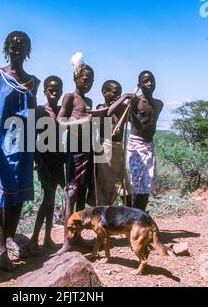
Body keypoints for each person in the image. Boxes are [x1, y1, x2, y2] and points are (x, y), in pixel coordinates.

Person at [0, 31, 40, 271]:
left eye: (22, 45)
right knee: (5, 196)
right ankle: (1, 249)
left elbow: (34, 114)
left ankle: (10, 237)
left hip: (25, 144)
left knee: (18, 195)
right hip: (2, 143)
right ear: (7, 48)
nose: (18, 49)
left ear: (28, 50)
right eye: (14, 45)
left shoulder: (33, 81)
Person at [55, 52, 95, 255]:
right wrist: (82, 121)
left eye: (91, 80)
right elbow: (60, 121)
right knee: (71, 195)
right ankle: (66, 243)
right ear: (76, 77)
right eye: (85, 79)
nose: (88, 83)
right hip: (74, 151)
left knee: (80, 196)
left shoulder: (88, 100)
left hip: (87, 151)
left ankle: (77, 238)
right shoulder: (70, 97)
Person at [108, 71, 164, 210]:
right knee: (138, 184)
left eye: (152, 80)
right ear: (139, 85)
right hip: (136, 145)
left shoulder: (158, 104)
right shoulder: (134, 102)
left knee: (147, 185)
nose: (150, 83)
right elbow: (110, 111)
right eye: (145, 81)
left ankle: (139, 219)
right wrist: (125, 96)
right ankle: (134, 219)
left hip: (149, 145)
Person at [28, 76, 66, 256]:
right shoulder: (37, 111)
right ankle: (34, 239)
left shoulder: (62, 111)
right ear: (44, 91)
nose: (54, 92)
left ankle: (47, 238)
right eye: (50, 89)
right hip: (44, 161)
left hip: (59, 160)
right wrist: (37, 160)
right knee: (48, 198)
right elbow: (29, 137)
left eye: (57, 89)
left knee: (51, 200)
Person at [93, 80, 132, 207]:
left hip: (118, 149)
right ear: (105, 93)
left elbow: (130, 118)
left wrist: (128, 104)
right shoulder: (100, 108)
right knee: (105, 188)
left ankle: (128, 218)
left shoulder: (121, 109)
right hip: (105, 149)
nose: (117, 97)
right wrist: (125, 96)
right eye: (115, 93)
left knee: (125, 188)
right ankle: (103, 220)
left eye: (119, 94)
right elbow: (108, 112)